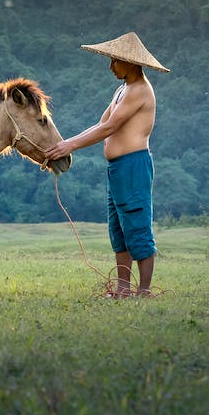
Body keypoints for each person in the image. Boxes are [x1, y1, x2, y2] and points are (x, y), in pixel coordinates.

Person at [44, 32, 169, 297]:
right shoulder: (122, 90)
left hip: (133, 166)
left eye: (115, 61)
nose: (111, 67)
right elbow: (101, 125)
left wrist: (70, 146)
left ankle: (144, 290)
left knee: (137, 224)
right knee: (118, 228)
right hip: (117, 169)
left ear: (130, 62)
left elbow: (111, 127)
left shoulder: (140, 91)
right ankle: (123, 288)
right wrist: (65, 144)